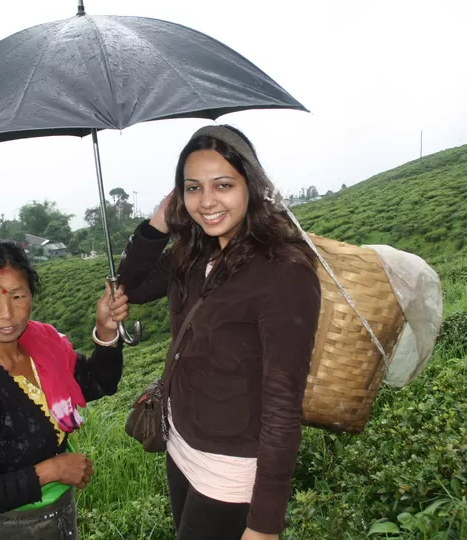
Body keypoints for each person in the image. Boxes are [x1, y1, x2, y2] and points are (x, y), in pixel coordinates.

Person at [118, 125, 321, 540]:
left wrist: (265, 523)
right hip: (181, 445)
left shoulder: (283, 271)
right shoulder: (194, 253)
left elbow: (283, 405)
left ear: (251, 185)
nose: (207, 201)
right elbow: (132, 286)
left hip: (230, 469)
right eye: (193, 188)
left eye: (223, 185)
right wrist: (158, 223)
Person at [0, 239, 128, 539]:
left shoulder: (42, 346)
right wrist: (51, 471)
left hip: (59, 521)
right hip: (3, 531)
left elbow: (98, 382)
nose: (7, 314)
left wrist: (106, 330)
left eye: (18, 296)